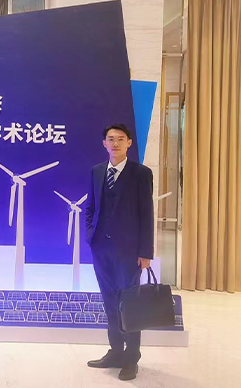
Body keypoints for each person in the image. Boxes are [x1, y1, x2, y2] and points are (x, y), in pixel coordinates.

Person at [84, 123, 154, 381]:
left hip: (129, 252)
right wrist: (90, 235)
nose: (115, 143)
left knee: (130, 304)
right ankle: (115, 351)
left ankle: (131, 358)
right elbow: (91, 207)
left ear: (129, 143)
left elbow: (147, 213)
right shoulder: (97, 171)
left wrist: (145, 252)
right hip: (101, 250)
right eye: (111, 139)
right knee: (109, 302)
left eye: (120, 139)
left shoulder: (141, 173)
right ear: (104, 143)